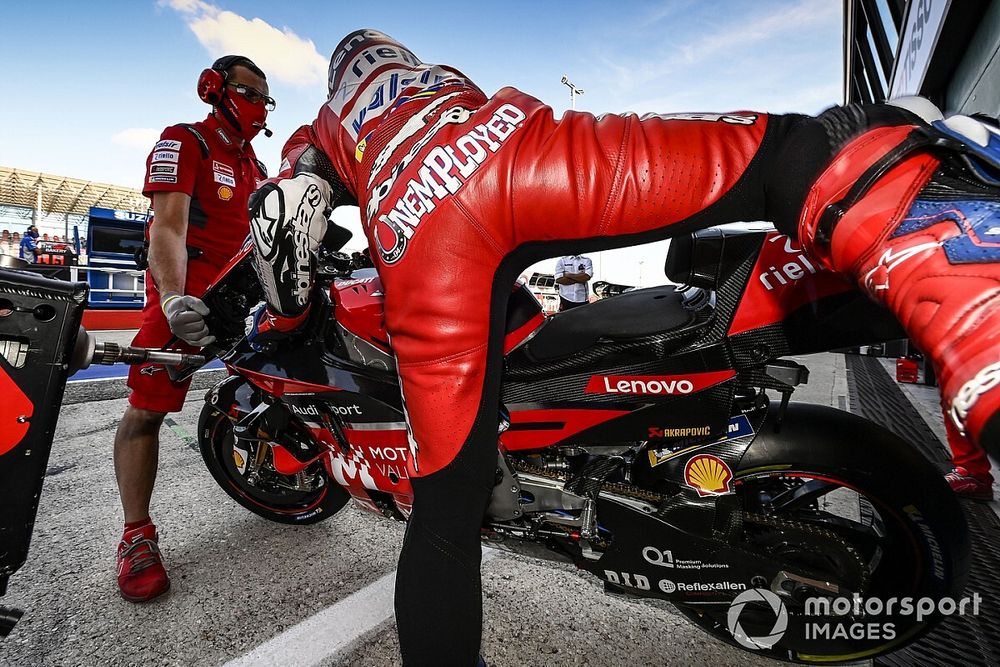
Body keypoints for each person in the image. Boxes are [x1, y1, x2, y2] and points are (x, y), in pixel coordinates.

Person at [183, 29, 1000, 664]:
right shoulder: (439, 82)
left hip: (432, 231)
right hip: (521, 145)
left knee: (443, 517)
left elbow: (283, 223)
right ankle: (938, 234)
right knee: (787, 151)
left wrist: (286, 317)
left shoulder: (328, 124)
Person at [113, 55, 272, 602]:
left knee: (291, 382)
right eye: (250, 93)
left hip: (243, 299)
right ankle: (136, 534)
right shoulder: (185, 141)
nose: (259, 107)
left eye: (264, 99)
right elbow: (168, 228)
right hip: (187, 299)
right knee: (146, 412)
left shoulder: (256, 164)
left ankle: (278, 477)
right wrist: (177, 298)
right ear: (214, 89)